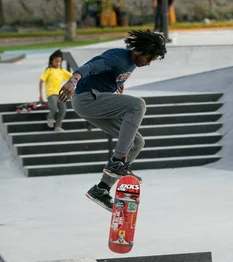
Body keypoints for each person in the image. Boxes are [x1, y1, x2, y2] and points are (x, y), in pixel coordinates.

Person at [58, 30, 167, 211]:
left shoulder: (131, 63)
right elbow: (90, 67)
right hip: (87, 99)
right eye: (148, 59)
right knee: (137, 105)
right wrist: (72, 81)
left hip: (95, 101)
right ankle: (117, 162)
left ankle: (101, 189)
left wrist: (116, 83)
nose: (147, 64)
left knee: (137, 142)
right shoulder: (118, 57)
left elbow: (109, 74)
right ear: (139, 51)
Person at [39, 49, 72, 132]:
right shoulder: (48, 71)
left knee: (63, 109)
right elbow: (41, 81)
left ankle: (58, 126)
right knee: (54, 108)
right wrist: (40, 95)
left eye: (59, 62)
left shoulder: (62, 71)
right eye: (56, 61)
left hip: (60, 93)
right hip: (51, 93)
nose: (58, 63)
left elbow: (72, 77)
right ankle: (50, 118)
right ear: (51, 61)